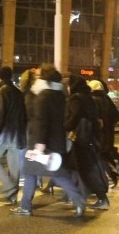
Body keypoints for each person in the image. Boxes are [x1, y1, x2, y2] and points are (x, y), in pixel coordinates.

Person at [11, 64, 88, 217]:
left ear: (43, 79)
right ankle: (26, 205)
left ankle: (27, 206)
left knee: (42, 173)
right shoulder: (59, 95)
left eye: (39, 76)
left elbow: (40, 121)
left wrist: (38, 146)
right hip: (56, 140)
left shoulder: (42, 96)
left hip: (40, 143)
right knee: (45, 173)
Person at [64, 75, 108, 210]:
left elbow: (75, 115)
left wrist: (66, 125)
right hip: (89, 137)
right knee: (81, 169)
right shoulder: (89, 97)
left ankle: (97, 197)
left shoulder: (76, 98)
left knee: (83, 169)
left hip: (80, 139)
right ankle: (79, 196)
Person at [0, 66, 26, 203]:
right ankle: (12, 197)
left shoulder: (1, 92)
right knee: (14, 164)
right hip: (18, 132)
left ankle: (9, 187)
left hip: (5, 133)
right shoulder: (18, 92)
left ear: (0, 77)